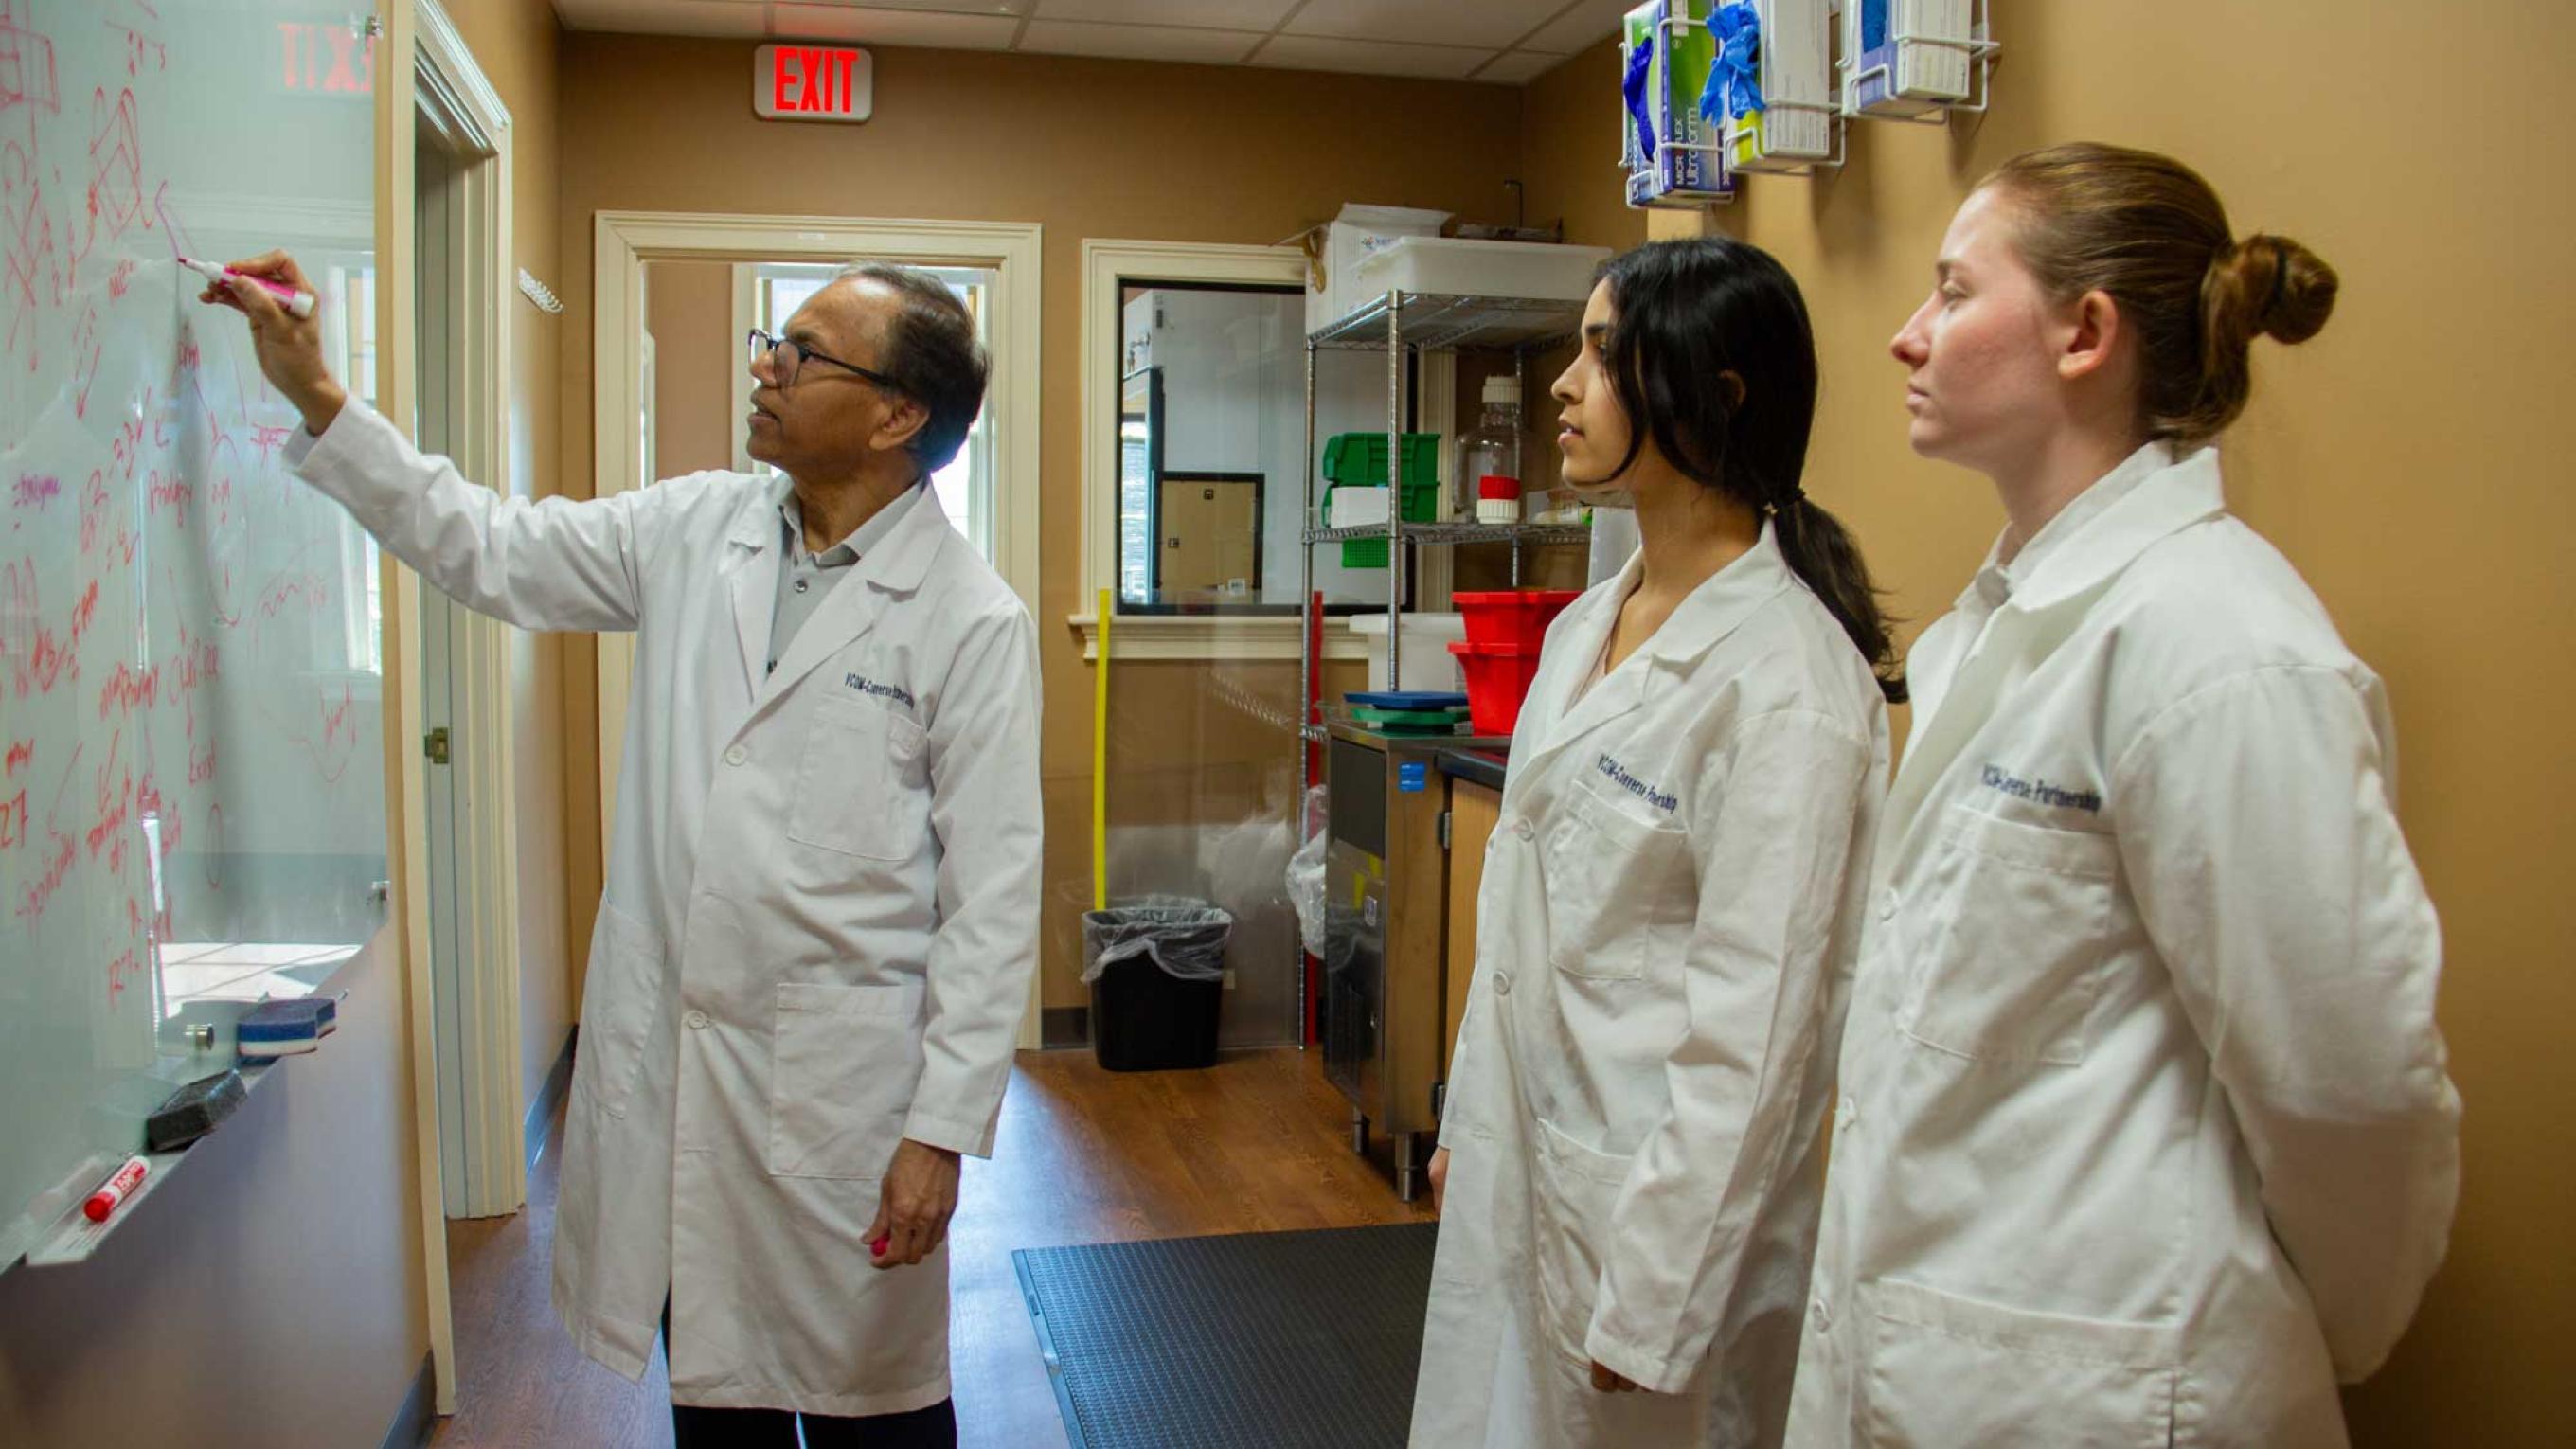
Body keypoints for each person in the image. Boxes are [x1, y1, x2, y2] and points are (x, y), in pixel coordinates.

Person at [205, 254, 1042, 1447]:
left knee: (876, 1412)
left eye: (803, 354)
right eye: (775, 340)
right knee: (711, 1394)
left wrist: (937, 1134)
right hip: (680, 1070)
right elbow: (487, 545)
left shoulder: (970, 621)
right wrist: (320, 396)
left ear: (897, 415)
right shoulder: (697, 527)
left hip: (845, 1099)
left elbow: (993, 901)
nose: (766, 366)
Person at [1786, 143, 2460, 1447]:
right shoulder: (1995, 630)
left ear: (2084, 332)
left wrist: (2303, 1323)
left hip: (2113, 1384)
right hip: (1941, 1361)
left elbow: (2355, 1083)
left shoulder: (2222, 648)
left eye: (1952, 292)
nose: (1907, 338)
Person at [1412, 237, 1900, 1448]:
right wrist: (1468, 1121)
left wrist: (1657, 1297)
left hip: (1652, 1229)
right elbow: (1527, 936)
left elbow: (1761, 1031)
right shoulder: (1587, 627)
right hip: (1530, 1167)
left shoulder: (1788, 687)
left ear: (1712, 394)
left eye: (1600, 353)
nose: (1562, 387)